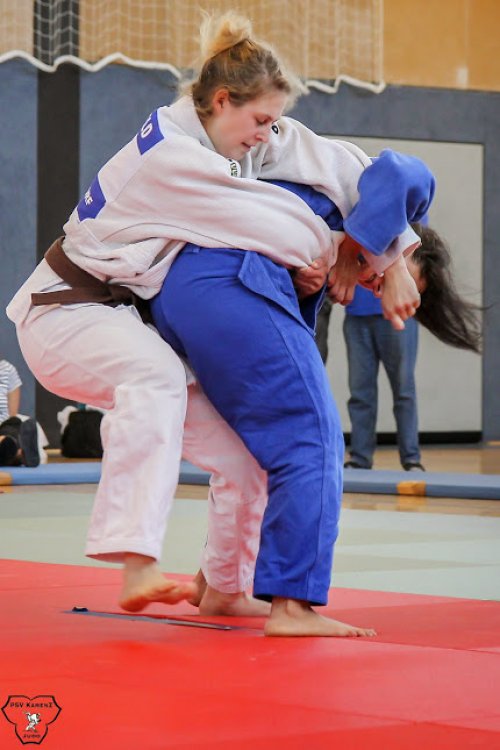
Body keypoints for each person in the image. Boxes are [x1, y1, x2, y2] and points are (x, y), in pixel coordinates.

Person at [6, 10, 427, 635]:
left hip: (121, 317)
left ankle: (228, 588)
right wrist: (340, 251)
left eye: (274, 122)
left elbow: (351, 168)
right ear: (222, 101)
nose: (267, 136)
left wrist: (392, 254)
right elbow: (268, 220)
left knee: (247, 457)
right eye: (259, 122)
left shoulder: (243, 132)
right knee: (156, 380)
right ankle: (134, 561)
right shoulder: (171, 155)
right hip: (65, 314)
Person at [322, 224, 481, 471]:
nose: (378, 288)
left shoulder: (410, 231)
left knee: (403, 390)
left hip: (399, 319)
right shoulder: (354, 239)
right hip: (357, 317)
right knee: (361, 391)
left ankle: (411, 458)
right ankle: (361, 458)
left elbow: (418, 244)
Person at [0, 357, 47, 466]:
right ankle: (18, 455)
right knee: (6, 443)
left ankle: (17, 451)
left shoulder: (7, 369)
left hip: (4, 427)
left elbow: (12, 415)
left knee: (14, 424)